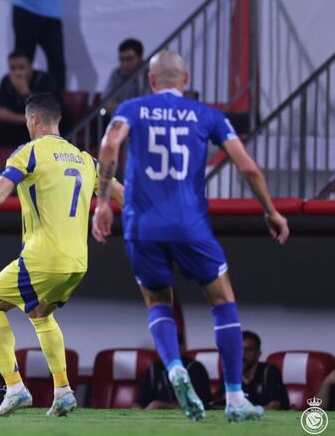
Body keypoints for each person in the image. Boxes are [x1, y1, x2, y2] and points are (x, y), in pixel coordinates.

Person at [93, 50, 290, 422]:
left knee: (158, 303)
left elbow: (108, 146)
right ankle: (234, 395)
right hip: (190, 226)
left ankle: (174, 368)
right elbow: (246, 166)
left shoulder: (133, 108)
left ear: (151, 81)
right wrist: (270, 210)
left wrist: (103, 203)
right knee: (222, 300)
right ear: (185, 80)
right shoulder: (207, 115)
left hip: (143, 225)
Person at [0, 93, 124, 417]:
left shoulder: (28, 153)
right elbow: (123, 196)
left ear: (33, 120)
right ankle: (63, 391)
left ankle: (15, 387)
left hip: (43, 257)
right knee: (41, 314)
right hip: (78, 262)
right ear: (57, 120)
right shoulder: (85, 159)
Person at [0, 51, 59, 146]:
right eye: (13, 68)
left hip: (45, 129)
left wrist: (25, 92)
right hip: (19, 126)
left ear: (30, 66)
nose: (17, 72)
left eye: (21, 68)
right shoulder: (6, 81)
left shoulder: (44, 80)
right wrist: (27, 120)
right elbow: (1, 113)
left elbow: (44, 116)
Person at [214, 331, 289, 410]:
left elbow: (275, 407)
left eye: (248, 350)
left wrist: (245, 411)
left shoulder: (269, 372)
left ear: (258, 354)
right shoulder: (231, 375)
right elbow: (220, 404)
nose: (242, 354)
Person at [136, 334, 212, 410]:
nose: (165, 351)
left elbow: (201, 405)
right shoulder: (152, 370)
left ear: (181, 347)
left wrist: (162, 406)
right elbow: (140, 404)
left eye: (170, 346)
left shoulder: (195, 368)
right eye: (160, 346)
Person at [102, 38, 150, 112]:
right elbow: (107, 102)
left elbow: (147, 103)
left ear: (140, 58)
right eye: (122, 59)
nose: (125, 64)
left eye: (129, 59)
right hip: (120, 118)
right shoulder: (116, 74)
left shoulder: (149, 73)